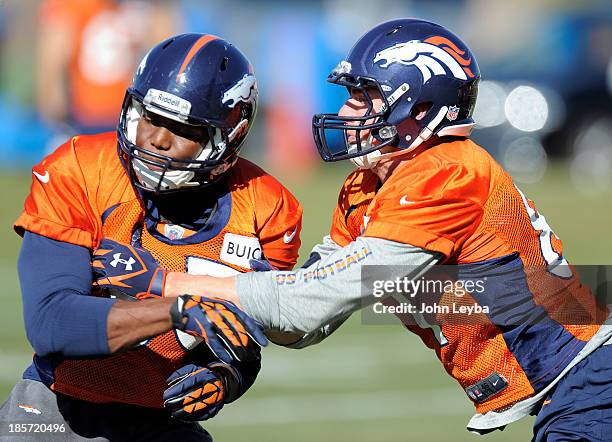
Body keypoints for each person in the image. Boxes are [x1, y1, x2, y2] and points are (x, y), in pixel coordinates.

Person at [86, 19, 612, 441]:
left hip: (588, 380)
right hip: (567, 391)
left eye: (363, 97)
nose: (345, 111)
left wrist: (166, 284)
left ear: (421, 108)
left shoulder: (448, 173)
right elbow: (303, 324)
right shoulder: (364, 188)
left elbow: (308, 303)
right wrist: (220, 351)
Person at [1, 33, 302, 441]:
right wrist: (177, 309)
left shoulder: (268, 208)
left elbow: (242, 342)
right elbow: (51, 323)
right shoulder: (80, 170)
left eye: (182, 128)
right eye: (150, 116)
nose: (157, 138)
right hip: (56, 408)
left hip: (162, 422)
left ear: (228, 135)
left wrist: (221, 378)